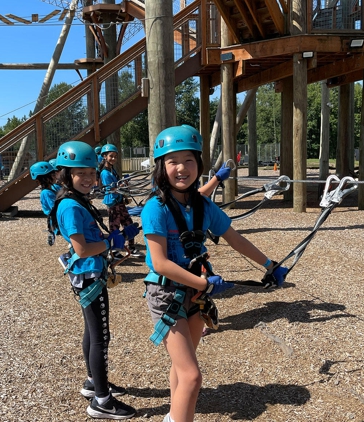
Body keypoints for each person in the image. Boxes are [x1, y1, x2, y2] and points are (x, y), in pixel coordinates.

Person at [141, 125, 288, 422]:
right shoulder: (154, 209)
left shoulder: (203, 205)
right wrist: (203, 283)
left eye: (189, 160)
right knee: (192, 377)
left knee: (183, 367)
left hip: (195, 293)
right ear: (161, 167)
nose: (182, 168)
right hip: (167, 294)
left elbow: (235, 238)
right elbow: (159, 263)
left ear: (199, 163)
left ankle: (174, 415)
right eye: (173, 161)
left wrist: (269, 265)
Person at [51, 140, 138, 420]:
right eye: (81, 174)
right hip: (89, 275)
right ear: (67, 175)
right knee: (101, 337)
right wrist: (112, 240)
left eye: (91, 173)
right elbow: (83, 249)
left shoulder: (77, 200)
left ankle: (93, 383)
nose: (89, 179)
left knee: (92, 332)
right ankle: (101, 401)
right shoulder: (71, 207)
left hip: (89, 272)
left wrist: (111, 239)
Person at [99, 143, 144, 259]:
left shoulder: (112, 170)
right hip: (113, 203)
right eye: (111, 156)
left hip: (119, 202)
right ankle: (115, 251)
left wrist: (123, 183)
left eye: (115, 156)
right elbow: (111, 188)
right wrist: (122, 184)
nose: (113, 158)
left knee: (129, 224)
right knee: (115, 228)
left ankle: (132, 248)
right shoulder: (105, 173)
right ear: (105, 156)